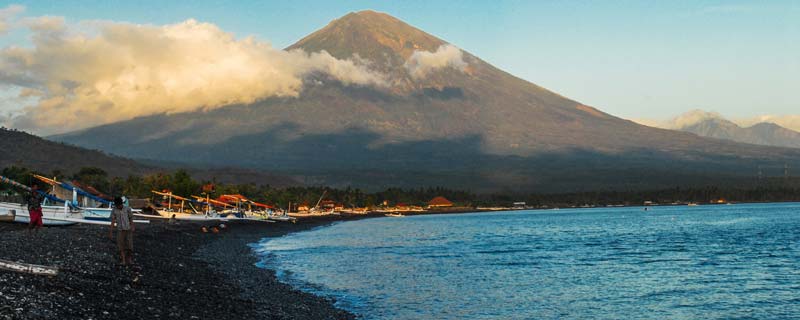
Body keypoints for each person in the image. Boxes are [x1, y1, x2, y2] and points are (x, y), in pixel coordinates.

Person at [109, 197, 135, 266]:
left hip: (128, 229)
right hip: (120, 230)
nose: (118, 206)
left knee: (130, 246)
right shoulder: (114, 210)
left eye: (119, 205)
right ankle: (123, 260)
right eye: (116, 205)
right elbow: (112, 221)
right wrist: (110, 232)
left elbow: (131, 218)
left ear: (121, 203)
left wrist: (132, 226)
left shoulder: (127, 208)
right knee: (121, 246)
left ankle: (129, 259)